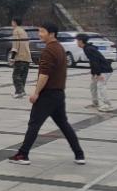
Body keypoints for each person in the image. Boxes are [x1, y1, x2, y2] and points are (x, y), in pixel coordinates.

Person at [8, 21, 85, 166]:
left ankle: (23, 154)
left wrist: (36, 93)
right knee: (64, 124)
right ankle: (79, 154)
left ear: (52, 34)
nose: (39, 34)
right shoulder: (59, 48)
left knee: (34, 124)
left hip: (47, 95)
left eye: (42, 32)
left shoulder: (49, 51)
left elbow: (44, 75)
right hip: (58, 94)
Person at [78, 33, 113, 112]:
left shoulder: (88, 49)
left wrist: (98, 74)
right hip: (100, 70)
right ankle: (95, 103)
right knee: (93, 86)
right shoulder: (87, 48)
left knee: (101, 86)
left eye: (77, 41)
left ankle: (108, 105)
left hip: (105, 70)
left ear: (80, 41)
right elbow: (92, 62)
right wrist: (93, 74)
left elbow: (95, 62)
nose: (77, 42)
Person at [10, 18, 31, 99]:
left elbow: (16, 45)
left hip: (20, 57)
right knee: (23, 76)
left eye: (12, 22)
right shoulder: (23, 31)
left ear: (14, 22)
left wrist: (12, 57)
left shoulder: (16, 31)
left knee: (16, 75)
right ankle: (20, 92)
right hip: (27, 57)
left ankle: (20, 91)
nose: (11, 24)